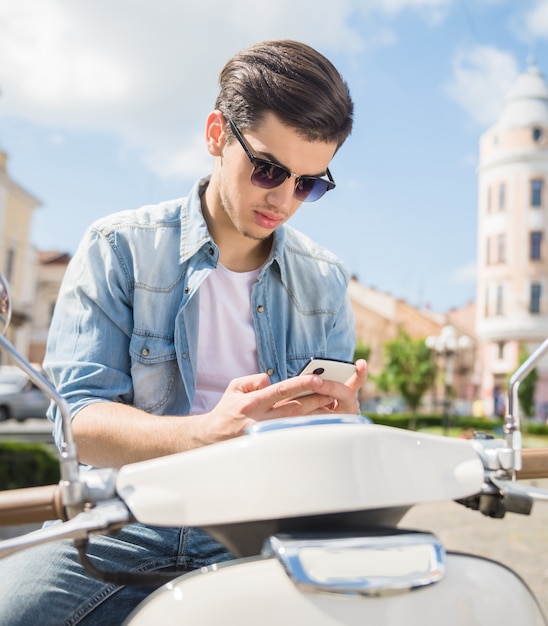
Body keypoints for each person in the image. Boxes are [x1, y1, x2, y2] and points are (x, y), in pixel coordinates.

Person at [0, 39, 367, 625]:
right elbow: (79, 422)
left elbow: (322, 444)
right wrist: (205, 433)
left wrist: (335, 421)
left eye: (308, 183)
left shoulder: (324, 279)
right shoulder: (118, 247)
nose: (284, 200)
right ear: (217, 135)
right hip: (127, 515)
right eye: (269, 169)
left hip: (266, 523)